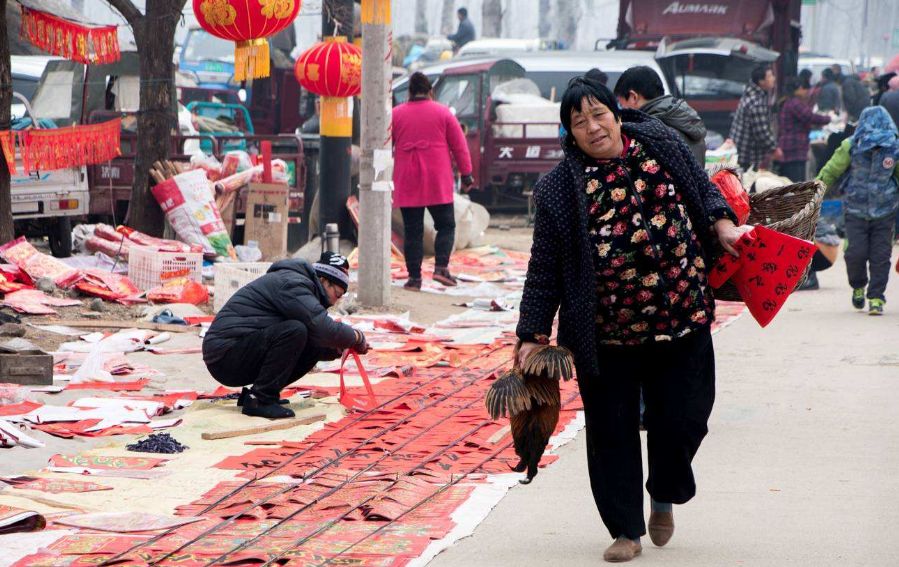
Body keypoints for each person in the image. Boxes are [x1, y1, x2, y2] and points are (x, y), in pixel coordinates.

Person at [516, 77, 748, 563]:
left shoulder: (660, 143)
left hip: (682, 316)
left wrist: (722, 222)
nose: (592, 127)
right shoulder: (559, 188)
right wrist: (532, 335)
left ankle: (663, 493)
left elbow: (701, 191)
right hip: (607, 335)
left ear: (617, 114)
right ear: (570, 133)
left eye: (598, 114)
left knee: (685, 419)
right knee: (612, 433)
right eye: (579, 121)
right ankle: (625, 529)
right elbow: (544, 268)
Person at [202, 253, 370, 419]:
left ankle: (260, 395)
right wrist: (356, 337)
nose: (334, 302)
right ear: (324, 280)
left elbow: (315, 341)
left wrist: (339, 347)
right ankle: (261, 400)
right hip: (225, 356)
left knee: (310, 337)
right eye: (337, 295)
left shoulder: (300, 284)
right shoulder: (293, 284)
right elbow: (322, 328)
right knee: (296, 330)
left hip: (237, 351)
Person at [392, 72, 474, 290]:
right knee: (446, 225)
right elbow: (459, 146)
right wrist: (467, 174)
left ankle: (414, 279)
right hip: (436, 179)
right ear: (431, 91)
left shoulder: (396, 115)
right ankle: (440, 268)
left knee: (413, 231)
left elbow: (382, 144)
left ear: (409, 92)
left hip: (407, 179)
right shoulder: (443, 112)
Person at [817, 106, 899, 315]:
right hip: (855, 210)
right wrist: (814, 193)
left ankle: (876, 298)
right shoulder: (850, 146)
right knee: (855, 253)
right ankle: (858, 286)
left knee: (881, 256)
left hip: (885, 211)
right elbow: (832, 170)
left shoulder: (894, 148)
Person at [614, 65, 707, 165]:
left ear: (633, 97)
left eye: (620, 103)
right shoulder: (683, 116)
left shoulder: (650, 131)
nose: (620, 109)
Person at [776, 76, 831, 183]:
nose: (807, 92)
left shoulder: (789, 101)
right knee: (794, 182)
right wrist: (829, 118)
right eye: (806, 89)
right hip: (794, 148)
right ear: (800, 88)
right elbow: (810, 117)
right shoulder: (794, 103)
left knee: (792, 182)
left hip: (792, 147)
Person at [730, 65, 782, 171]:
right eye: (770, 76)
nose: (774, 78)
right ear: (761, 81)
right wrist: (774, 149)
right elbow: (761, 131)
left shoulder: (751, 93)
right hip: (747, 154)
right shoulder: (756, 101)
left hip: (740, 151)